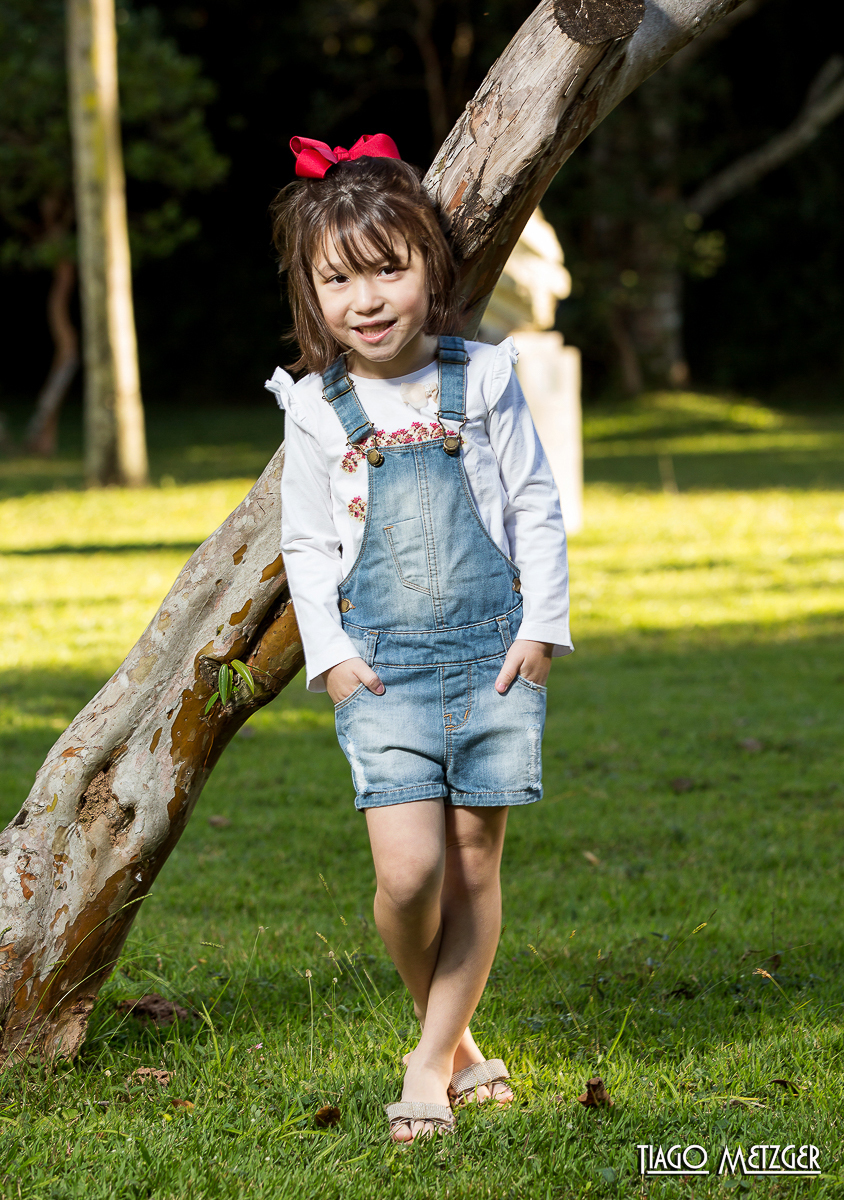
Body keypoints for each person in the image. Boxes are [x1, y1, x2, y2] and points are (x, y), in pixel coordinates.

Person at [266, 133, 572, 1143]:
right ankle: (460, 1045)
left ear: (429, 270)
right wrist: (335, 659)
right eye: (339, 279)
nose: (367, 299)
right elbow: (307, 546)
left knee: (475, 864)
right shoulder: (316, 411)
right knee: (405, 878)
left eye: (387, 269)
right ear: (313, 295)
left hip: (493, 654)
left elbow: (534, 507)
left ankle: (428, 1067)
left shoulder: (482, 379)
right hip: (381, 666)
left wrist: (541, 630)